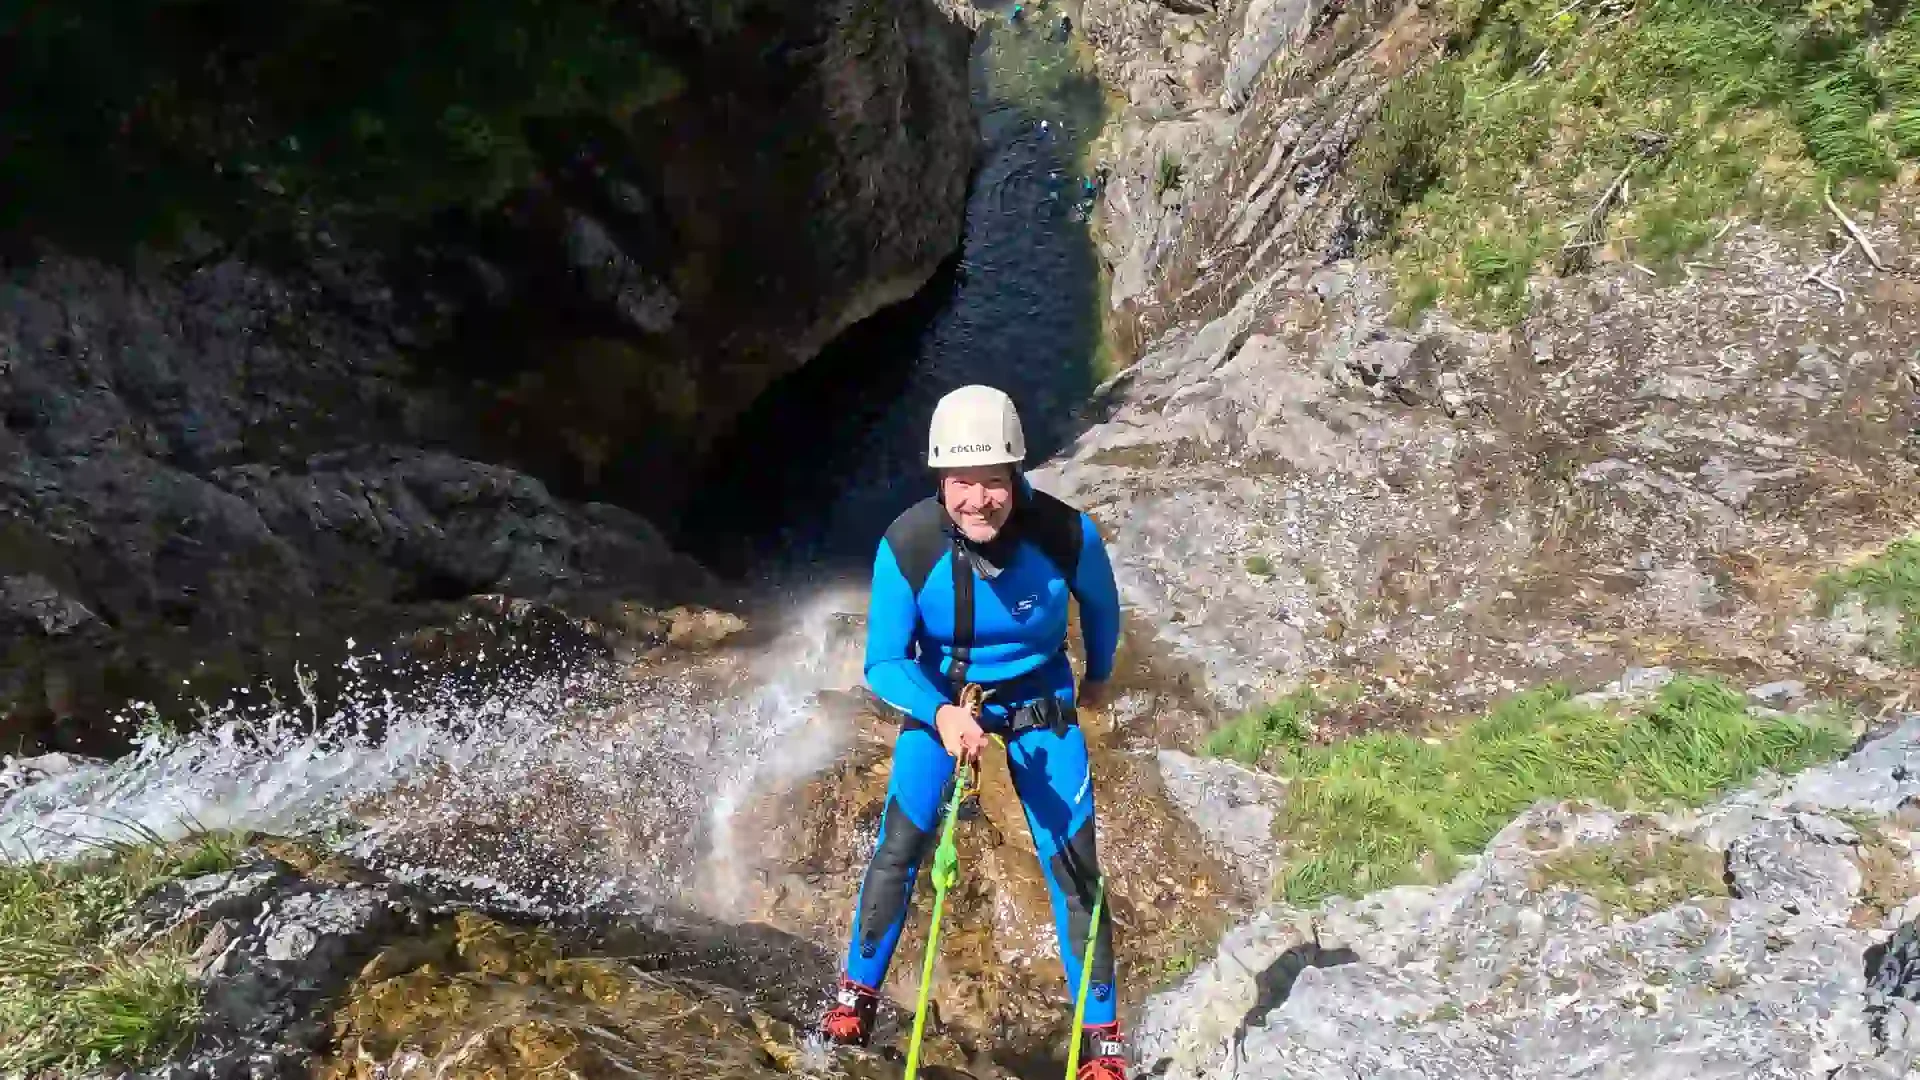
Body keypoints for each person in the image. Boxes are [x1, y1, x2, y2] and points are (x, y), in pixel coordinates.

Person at [816, 385, 1130, 1080]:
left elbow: (1102, 608)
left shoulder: (1065, 534)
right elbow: (886, 660)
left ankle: (1102, 1041)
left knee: (1076, 866)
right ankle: (856, 994)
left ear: (1016, 475)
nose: (977, 500)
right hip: (944, 698)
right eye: (962, 483)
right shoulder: (909, 544)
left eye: (993, 482)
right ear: (940, 480)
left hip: (1036, 697)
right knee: (900, 845)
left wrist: (1099, 677)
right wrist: (942, 714)